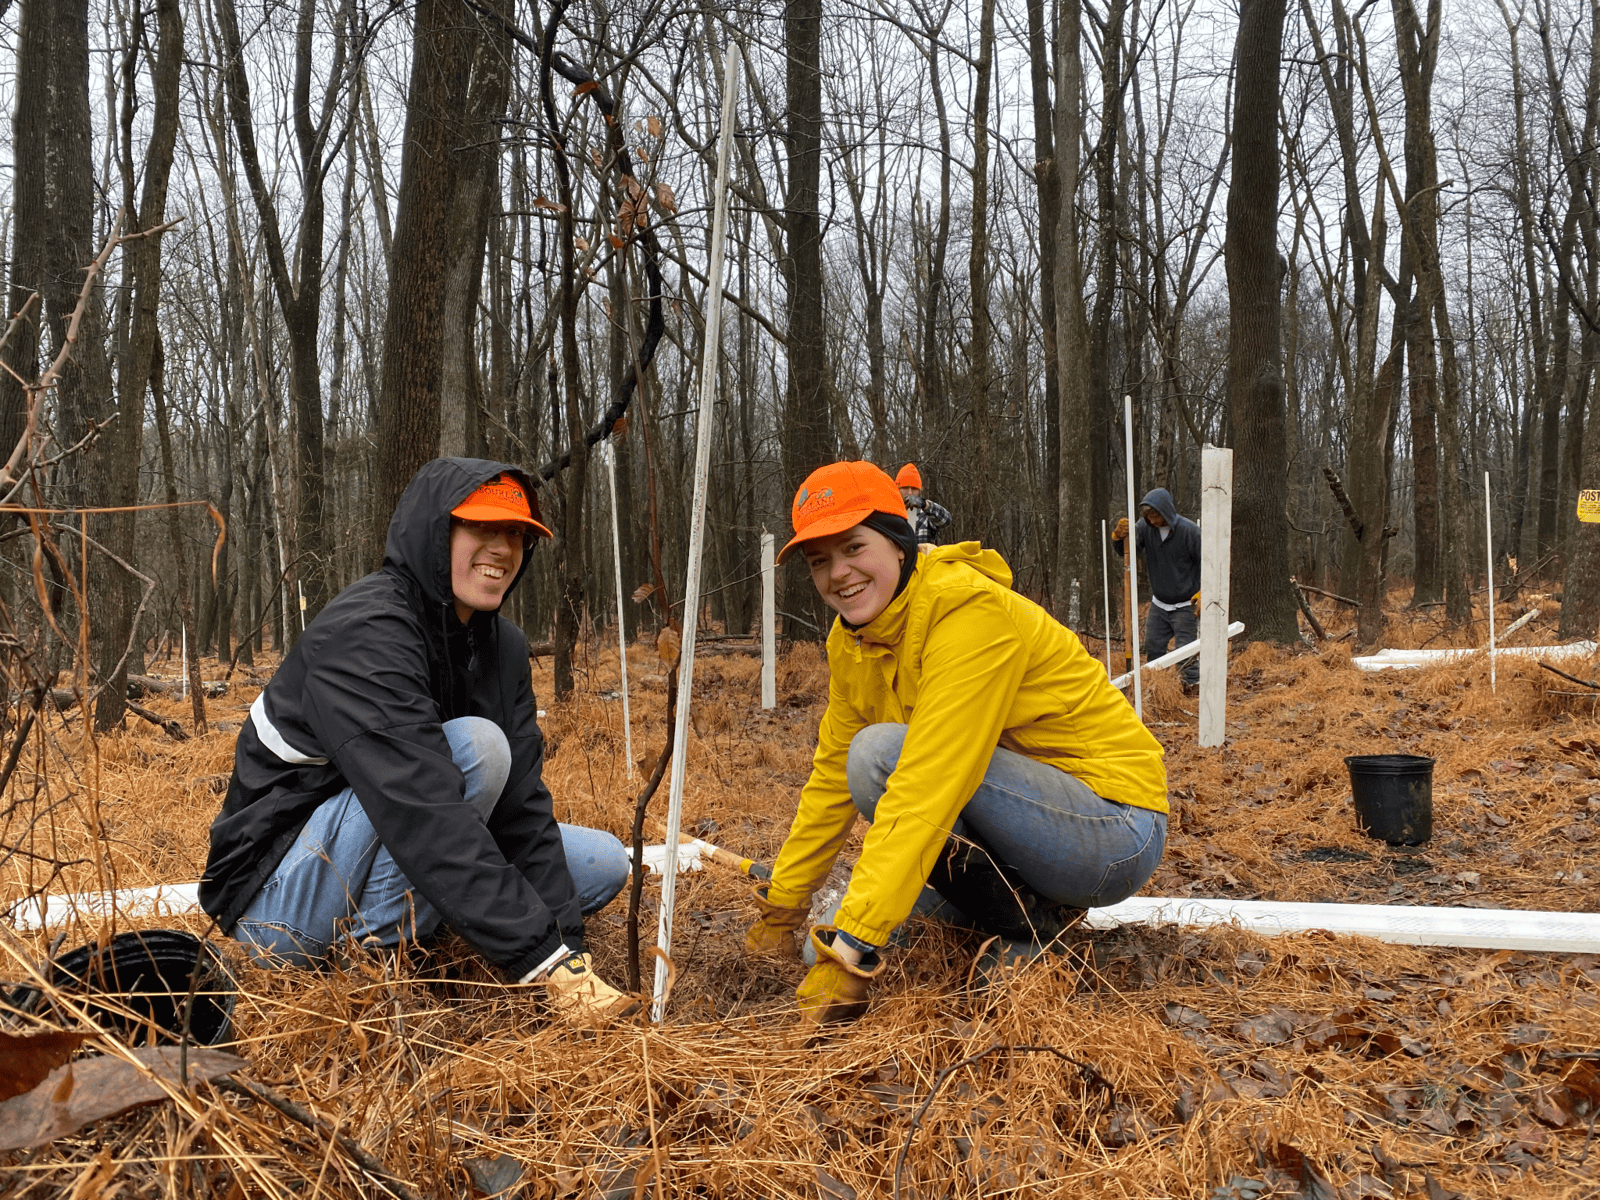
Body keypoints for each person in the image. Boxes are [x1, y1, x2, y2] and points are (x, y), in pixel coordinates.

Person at [200, 458, 635, 1024]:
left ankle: (437, 919)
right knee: (478, 747)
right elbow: (423, 808)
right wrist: (540, 959)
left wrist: (569, 949)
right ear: (438, 531)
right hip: (276, 898)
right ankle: (377, 972)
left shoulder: (500, 647)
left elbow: (523, 809)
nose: (502, 550)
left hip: (386, 840)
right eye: (481, 529)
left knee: (603, 862)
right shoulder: (367, 630)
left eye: (516, 535)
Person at [745, 461, 1168, 1024]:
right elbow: (828, 783)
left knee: (880, 757)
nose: (837, 573)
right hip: (1014, 824)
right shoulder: (853, 641)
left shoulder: (967, 611)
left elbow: (927, 781)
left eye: (852, 547)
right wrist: (785, 905)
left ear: (898, 543)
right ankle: (1035, 917)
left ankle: (1029, 929)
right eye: (819, 561)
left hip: (1114, 829)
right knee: (812, 945)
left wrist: (850, 955)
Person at [1112, 487, 1202, 689]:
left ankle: (1192, 686)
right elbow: (1128, 552)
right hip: (1159, 603)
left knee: (1186, 651)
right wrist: (1119, 537)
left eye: (1155, 514)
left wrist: (1204, 591)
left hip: (1186, 602)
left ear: (1166, 512)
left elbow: (1208, 562)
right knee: (1153, 647)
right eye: (1148, 515)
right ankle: (1156, 686)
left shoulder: (1189, 531)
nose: (1151, 519)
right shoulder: (1144, 528)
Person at [894, 463, 951, 546]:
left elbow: (946, 520)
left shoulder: (926, 515)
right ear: (897, 488)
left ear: (920, 490)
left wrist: (925, 504)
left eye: (914, 489)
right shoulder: (890, 513)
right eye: (905, 487)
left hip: (923, 558)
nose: (910, 493)